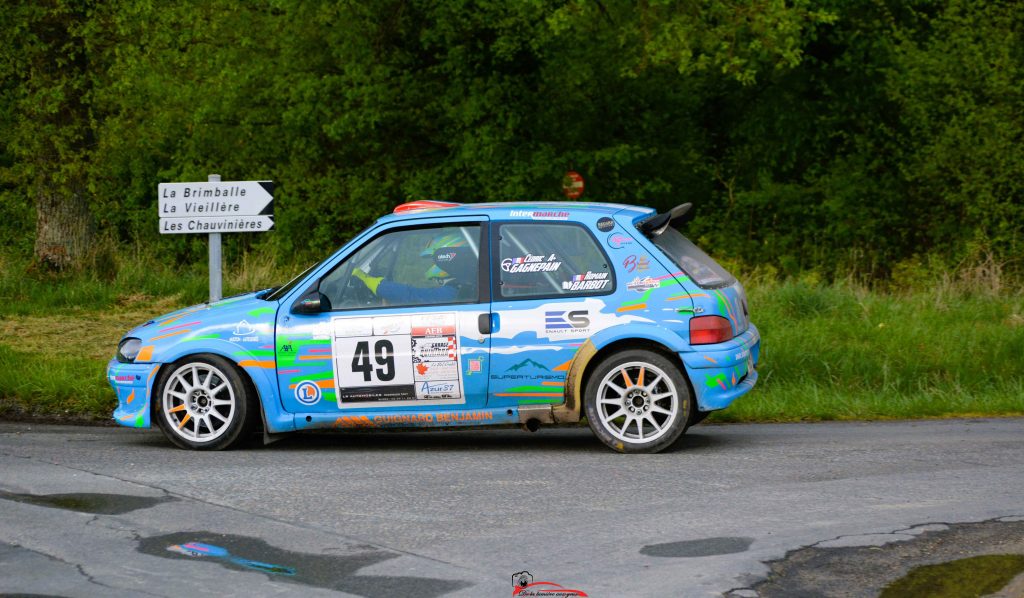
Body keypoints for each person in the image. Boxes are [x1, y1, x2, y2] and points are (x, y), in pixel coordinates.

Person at [351, 233, 476, 304]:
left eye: (433, 259)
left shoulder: (454, 293)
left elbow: (412, 295)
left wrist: (375, 284)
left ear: (447, 259)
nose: (431, 263)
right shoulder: (465, 287)